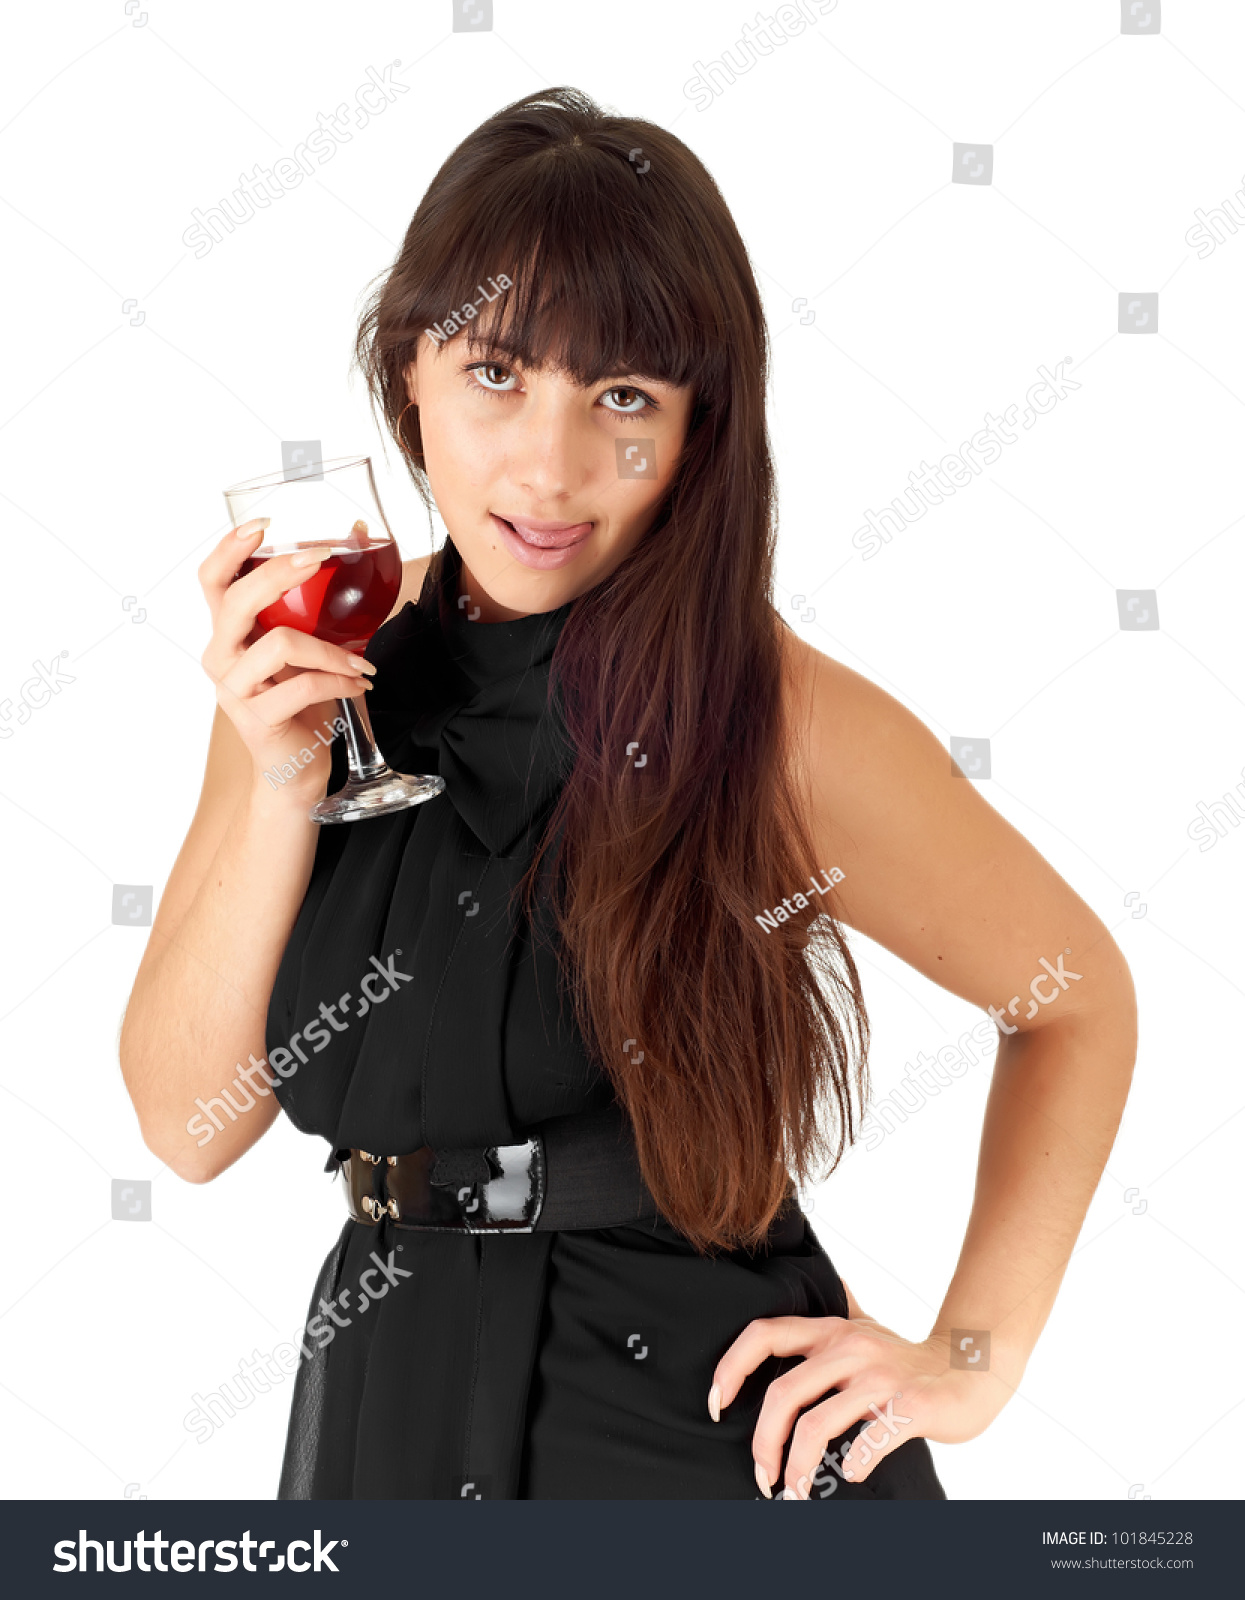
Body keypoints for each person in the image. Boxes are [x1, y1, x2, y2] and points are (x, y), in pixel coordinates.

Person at [119, 87, 1137, 1501]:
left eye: (621, 397)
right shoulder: (316, 662)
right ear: (406, 368)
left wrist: (968, 1357)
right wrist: (278, 783)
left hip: (687, 1437)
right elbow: (189, 1123)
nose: (549, 465)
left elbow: (1072, 995)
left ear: (697, 430)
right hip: (386, 1395)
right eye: (495, 373)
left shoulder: (772, 719)